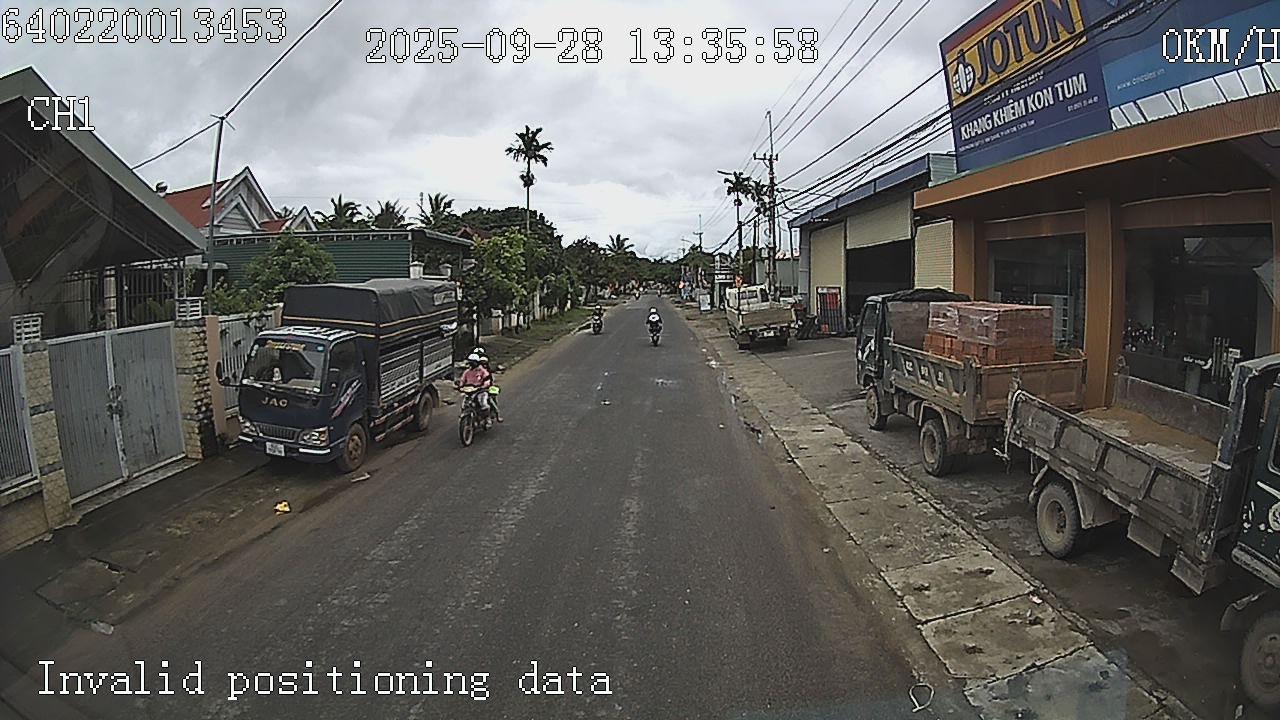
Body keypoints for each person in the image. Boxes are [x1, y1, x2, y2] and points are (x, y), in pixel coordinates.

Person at [456, 352, 493, 424]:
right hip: (470, 391)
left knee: (483, 403)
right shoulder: (467, 372)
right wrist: (460, 386)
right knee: (464, 405)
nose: (471, 364)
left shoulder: (482, 370)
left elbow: (487, 379)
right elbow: (462, 380)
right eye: (470, 362)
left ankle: (487, 418)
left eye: (473, 362)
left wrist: (484, 385)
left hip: (480, 390)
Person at [472, 346, 502, 422]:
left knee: (491, 399)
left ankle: (497, 414)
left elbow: (489, 376)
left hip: (486, 386)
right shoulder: (474, 368)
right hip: (475, 387)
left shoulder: (485, 367)